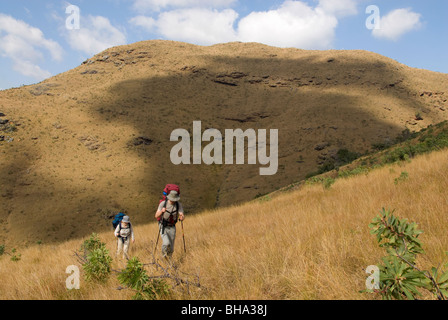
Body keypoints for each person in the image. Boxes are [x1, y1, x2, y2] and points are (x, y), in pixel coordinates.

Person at [155, 190, 185, 259]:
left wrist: (182, 217)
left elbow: (181, 214)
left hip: (172, 226)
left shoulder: (178, 204)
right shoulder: (163, 204)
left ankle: (169, 260)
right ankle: (163, 256)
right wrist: (162, 211)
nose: (173, 201)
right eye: (172, 199)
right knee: (166, 243)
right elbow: (156, 216)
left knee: (171, 248)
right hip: (163, 225)